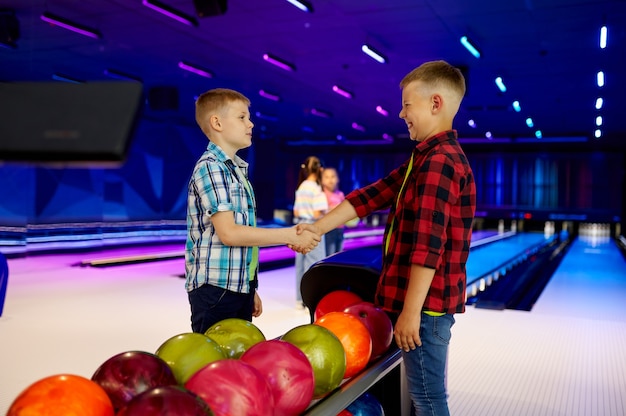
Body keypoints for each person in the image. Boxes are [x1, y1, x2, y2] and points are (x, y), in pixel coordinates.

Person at [295, 60, 476, 415]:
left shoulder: (440, 162)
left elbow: (429, 245)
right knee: (424, 394)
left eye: (407, 104)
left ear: (435, 104)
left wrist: (411, 313)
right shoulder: (423, 158)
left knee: (428, 398)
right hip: (421, 306)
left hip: (425, 309)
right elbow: (372, 195)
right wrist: (317, 227)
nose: (400, 113)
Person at [185, 88, 320, 334]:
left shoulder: (236, 170)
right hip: (215, 290)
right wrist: (288, 235)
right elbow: (230, 234)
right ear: (217, 123)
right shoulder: (211, 168)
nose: (251, 123)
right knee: (214, 366)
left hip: (236, 287)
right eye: (242, 117)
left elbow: (243, 242)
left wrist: (249, 288)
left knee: (237, 364)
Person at [293, 156, 328, 309]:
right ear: (320, 169)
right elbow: (316, 214)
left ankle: (299, 299)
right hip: (313, 227)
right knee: (314, 265)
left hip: (299, 227)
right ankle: (311, 300)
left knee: (300, 264)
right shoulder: (316, 188)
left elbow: (295, 211)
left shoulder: (302, 187)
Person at [321, 166, 345, 255]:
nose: (330, 180)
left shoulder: (340, 194)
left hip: (340, 229)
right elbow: (323, 210)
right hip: (329, 230)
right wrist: (337, 208)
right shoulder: (323, 194)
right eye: (327, 177)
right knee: (330, 255)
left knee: (339, 254)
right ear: (322, 180)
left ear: (337, 179)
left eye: (333, 176)